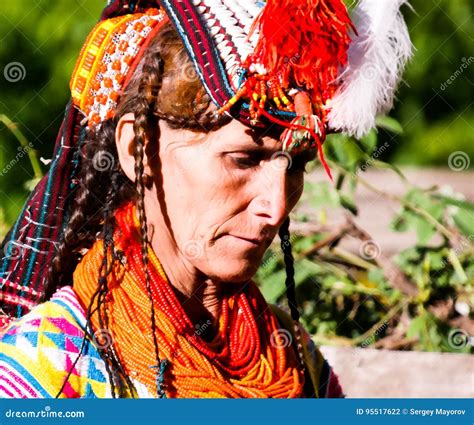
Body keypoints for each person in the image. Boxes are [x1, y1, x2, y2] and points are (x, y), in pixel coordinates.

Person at [0, 0, 412, 398]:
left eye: (296, 164)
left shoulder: (292, 359)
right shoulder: (43, 375)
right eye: (243, 159)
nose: (277, 206)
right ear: (136, 149)